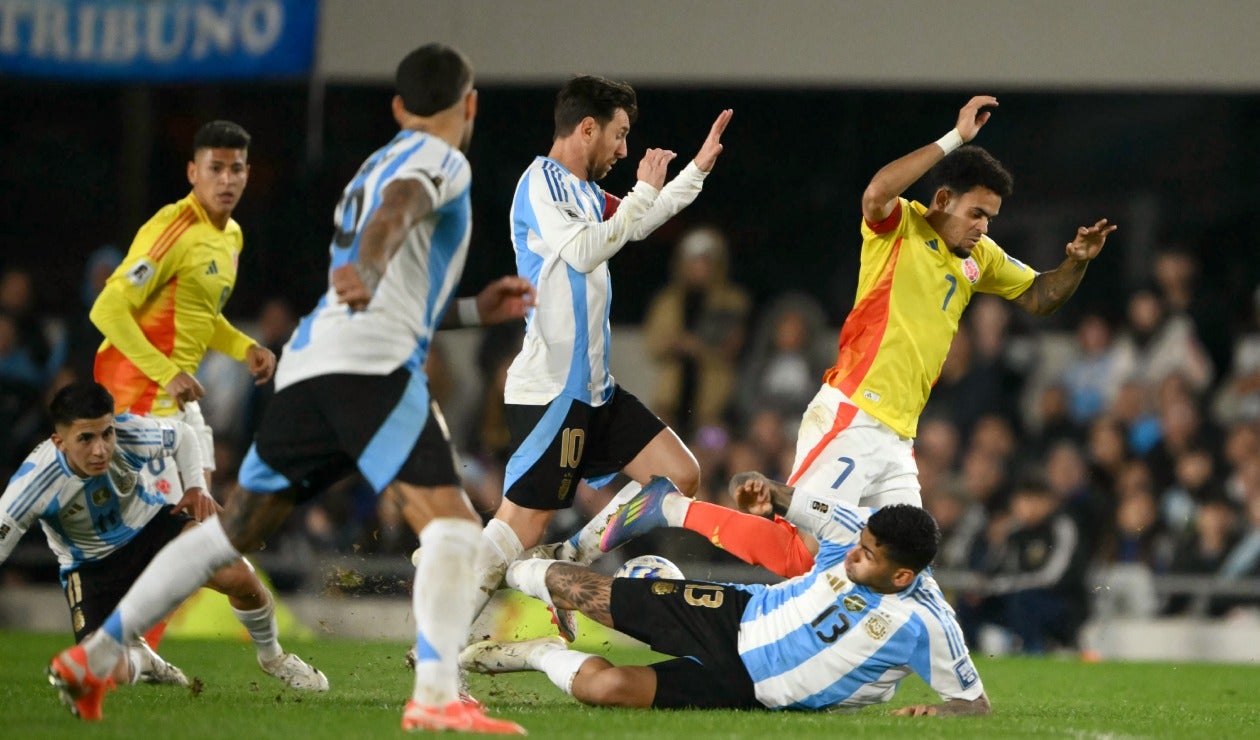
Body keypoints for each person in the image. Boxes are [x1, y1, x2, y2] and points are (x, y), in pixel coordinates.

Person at [48, 43, 534, 734]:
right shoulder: (441, 159)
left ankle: (96, 656)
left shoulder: (373, 162)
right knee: (454, 528)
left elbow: (393, 269)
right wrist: (369, 262)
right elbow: (400, 211)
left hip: (311, 362)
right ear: (471, 104)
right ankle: (433, 695)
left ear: (397, 108)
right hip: (371, 366)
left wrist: (467, 311)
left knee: (238, 528)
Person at [468, 76, 733, 639]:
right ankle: (438, 644)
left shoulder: (586, 194)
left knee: (681, 474)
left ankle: (570, 554)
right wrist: (640, 192)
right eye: (619, 135)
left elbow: (639, 220)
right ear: (586, 128)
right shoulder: (540, 182)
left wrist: (698, 171)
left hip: (596, 389)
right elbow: (589, 251)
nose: (623, 149)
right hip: (552, 391)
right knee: (516, 526)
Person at [463, 473, 990, 717]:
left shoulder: (929, 624)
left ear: (902, 577)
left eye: (870, 556)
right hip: (735, 618)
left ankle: (534, 653)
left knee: (607, 691)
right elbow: (787, 497)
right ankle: (494, 572)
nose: (854, 555)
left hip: (744, 692)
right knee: (583, 592)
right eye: (860, 544)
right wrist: (762, 490)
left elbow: (974, 705)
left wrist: (941, 715)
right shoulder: (851, 532)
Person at [8, 382, 325, 714]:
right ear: (59, 442)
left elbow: (183, 438)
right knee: (106, 671)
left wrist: (196, 487)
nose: (101, 449)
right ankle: (141, 659)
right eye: (86, 439)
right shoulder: (33, 483)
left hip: (152, 528)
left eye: (106, 434)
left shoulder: (129, 432)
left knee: (241, 578)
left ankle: (273, 657)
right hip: (90, 567)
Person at [91, 120, 276, 506]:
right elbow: (107, 309)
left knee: (202, 535)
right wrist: (168, 373)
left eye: (236, 169)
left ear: (247, 174)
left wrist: (245, 347)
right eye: (215, 168)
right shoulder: (173, 229)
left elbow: (198, 316)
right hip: (139, 400)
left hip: (179, 400)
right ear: (193, 172)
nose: (226, 180)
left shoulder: (231, 236)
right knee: (187, 539)